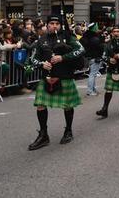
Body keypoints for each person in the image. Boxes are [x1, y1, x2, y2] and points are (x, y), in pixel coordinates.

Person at [27, 16, 84, 151]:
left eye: (57, 23)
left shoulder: (68, 37)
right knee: (40, 105)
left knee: (67, 106)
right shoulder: (41, 40)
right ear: (47, 25)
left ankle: (68, 130)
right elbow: (32, 59)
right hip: (47, 77)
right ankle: (43, 135)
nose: (54, 26)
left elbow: (81, 50)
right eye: (51, 23)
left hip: (65, 76)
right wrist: (42, 64)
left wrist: (63, 57)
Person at [96, 26, 119, 119]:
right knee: (108, 89)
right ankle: (104, 109)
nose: (116, 33)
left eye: (118, 31)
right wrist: (109, 59)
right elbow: (104, 55)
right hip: (112, 69)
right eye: (114, 31)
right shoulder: (108, 43)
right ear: (112, 33)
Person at [80, 23, 104, 97]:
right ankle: (90, 91)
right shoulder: (95, 39)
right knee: (92, 74)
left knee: (92, 74)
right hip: (95, 58)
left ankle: (93, 89)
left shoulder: (83, 38)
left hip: (87, 58)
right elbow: (100, 48)